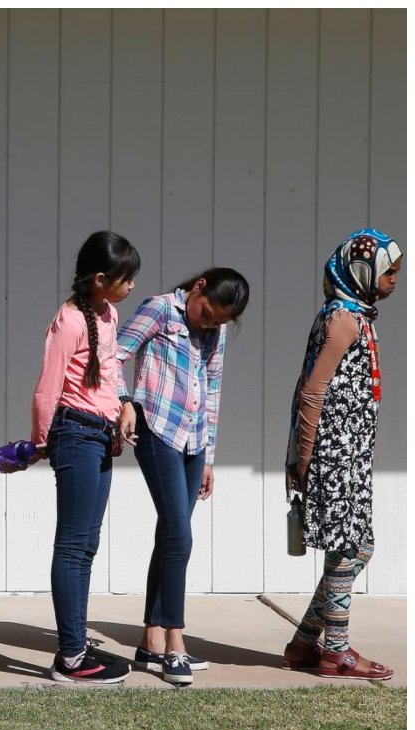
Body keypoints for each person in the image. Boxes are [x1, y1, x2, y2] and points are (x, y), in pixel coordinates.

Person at [115, 267, 250, 685]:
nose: (208, 323)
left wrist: (209, 455)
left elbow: (213, 387)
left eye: (218, 321)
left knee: (172, 533)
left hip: (192, 439)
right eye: (207, 312)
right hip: (157, 429)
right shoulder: (159, 309)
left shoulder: (217, 333)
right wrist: (126, 401)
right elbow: (115, 354)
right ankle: (175, 641)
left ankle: (149, 641)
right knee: (179, 534)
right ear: (197, 288)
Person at [282, 228, 401, 681]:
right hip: (332, 456)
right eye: (388, 271)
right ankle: (336, 649)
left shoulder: (355, 315)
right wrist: (308, 459)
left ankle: (304, 643)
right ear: (360, 270)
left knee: (358, 546)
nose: (393, 280)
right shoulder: (342, 320)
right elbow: (313, 393)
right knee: (347, 547)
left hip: (348, 454)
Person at [31, 231, 141, 683]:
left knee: (87, 545)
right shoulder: (69, 321)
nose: (131, 286)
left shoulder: (108, 314)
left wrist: (125, 404)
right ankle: (71, 657)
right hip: (74, 434)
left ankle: (76, 643)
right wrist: (40, 443)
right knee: (73, 546)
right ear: (100, 278)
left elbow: (111, 369)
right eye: (125, 278)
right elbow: (48, 386)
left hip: (100, 436)